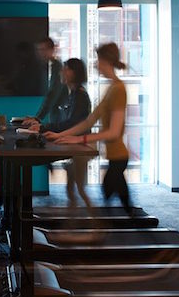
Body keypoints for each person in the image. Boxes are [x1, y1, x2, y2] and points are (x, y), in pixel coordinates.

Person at [45, 43, 132, 213]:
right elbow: (88, 122)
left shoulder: (119, 89)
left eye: (98, 60)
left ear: (106, 61)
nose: (95, 64)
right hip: (115, 157)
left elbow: (113, 132)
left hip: (119, 156)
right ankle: (125, 221)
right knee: (119, 197)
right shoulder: (111, 89)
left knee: (107, 191)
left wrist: (79, 139)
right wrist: (60, 135)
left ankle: (103, 227)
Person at [31, 58, 93, 208]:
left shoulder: (80, 95)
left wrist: (44, 128)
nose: (61, 72)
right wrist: (43, 126)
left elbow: (72, 123)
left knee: (79, 189)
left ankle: (95, 220)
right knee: (72, 189)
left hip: (80, 147)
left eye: (65, 69)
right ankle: (79, 221)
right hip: (75, 147)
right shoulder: (72, 94)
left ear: (73, 73)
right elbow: (65, 120)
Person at [28, 37, 67, 124]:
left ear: (52, 50)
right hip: (55, 115)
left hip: (62, 116)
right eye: (39, 50)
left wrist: (38, 118)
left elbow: (53, 94)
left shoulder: (58, 67)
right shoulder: (44, 67)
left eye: (44, 49)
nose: (41, 53)